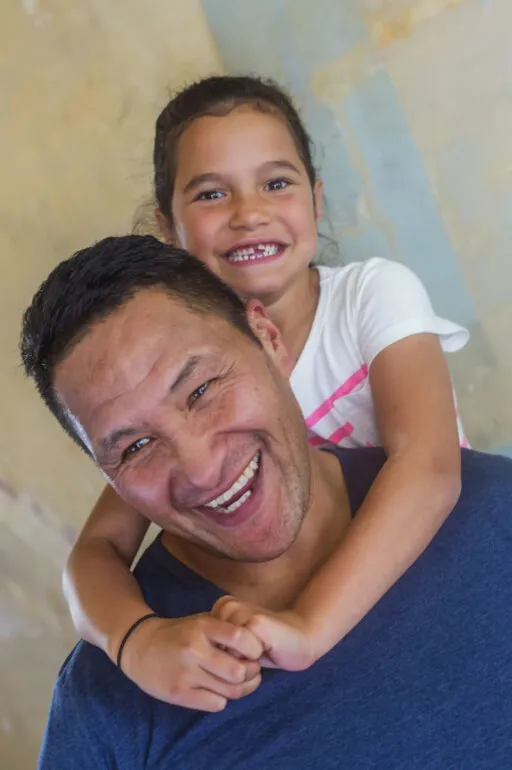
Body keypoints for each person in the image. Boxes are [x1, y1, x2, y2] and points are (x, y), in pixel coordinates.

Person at [21, 236, 512, 769]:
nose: (203, 470)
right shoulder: (113, 702)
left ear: (268, 337)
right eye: (136, 447)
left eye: (202, 389)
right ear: (107, 477)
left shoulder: (494, 514)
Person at [63, 75, 471, 705]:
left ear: (316, 198)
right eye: (211, 193)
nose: (248, 213)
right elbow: (92, 553)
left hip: (438, 577)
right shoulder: (169, 392)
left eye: (276, 183)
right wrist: (136, 641)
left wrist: (310, 627)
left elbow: (430, 466)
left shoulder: (370, 297)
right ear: (168, 232)